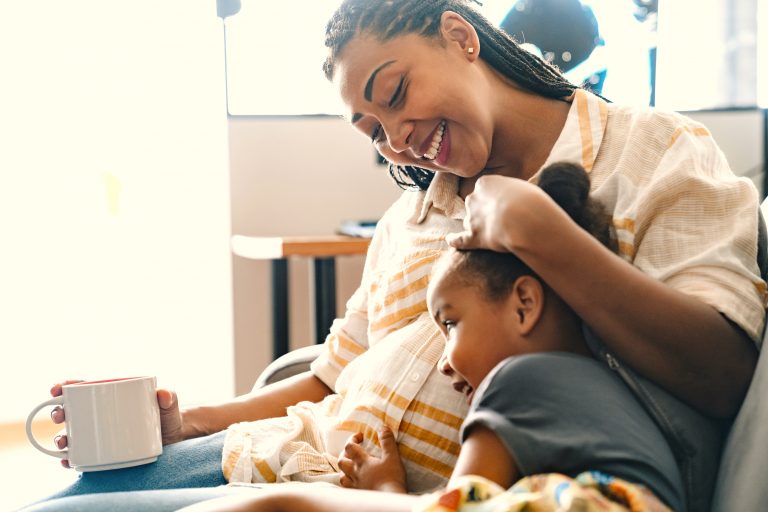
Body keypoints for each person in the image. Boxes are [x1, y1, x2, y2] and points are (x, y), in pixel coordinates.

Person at [23, 0, 763, 510]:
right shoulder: (414, 212)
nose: (396, 139)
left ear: (461, 37)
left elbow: (724, 369)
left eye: (395, 91)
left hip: (374, 494)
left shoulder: (654, 151)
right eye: (372, 130)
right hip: (289, 451)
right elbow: (326, 377)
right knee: (74, 494)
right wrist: (196, 421)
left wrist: (539, 232)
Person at [173, 162, 682, 512]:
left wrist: (386, 487)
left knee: (278, 505)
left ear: (525, 304)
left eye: (451, 323)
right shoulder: (611, 385)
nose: (444, 361)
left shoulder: (521, 381)